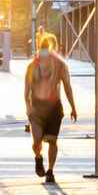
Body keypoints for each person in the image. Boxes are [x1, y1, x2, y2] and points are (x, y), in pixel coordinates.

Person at [25, 31, 77, 185]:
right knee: (36, 141)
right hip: (36, 108)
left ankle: (50, 171)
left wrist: (73, 107)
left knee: (52, 141)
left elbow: (67, 87)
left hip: (54, 108)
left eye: (48, 48)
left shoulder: (60, 65)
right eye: (43, 48)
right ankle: (38, 158)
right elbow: (26, 91)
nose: (45, 51)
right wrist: (28, 108)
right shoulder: (31, 66)